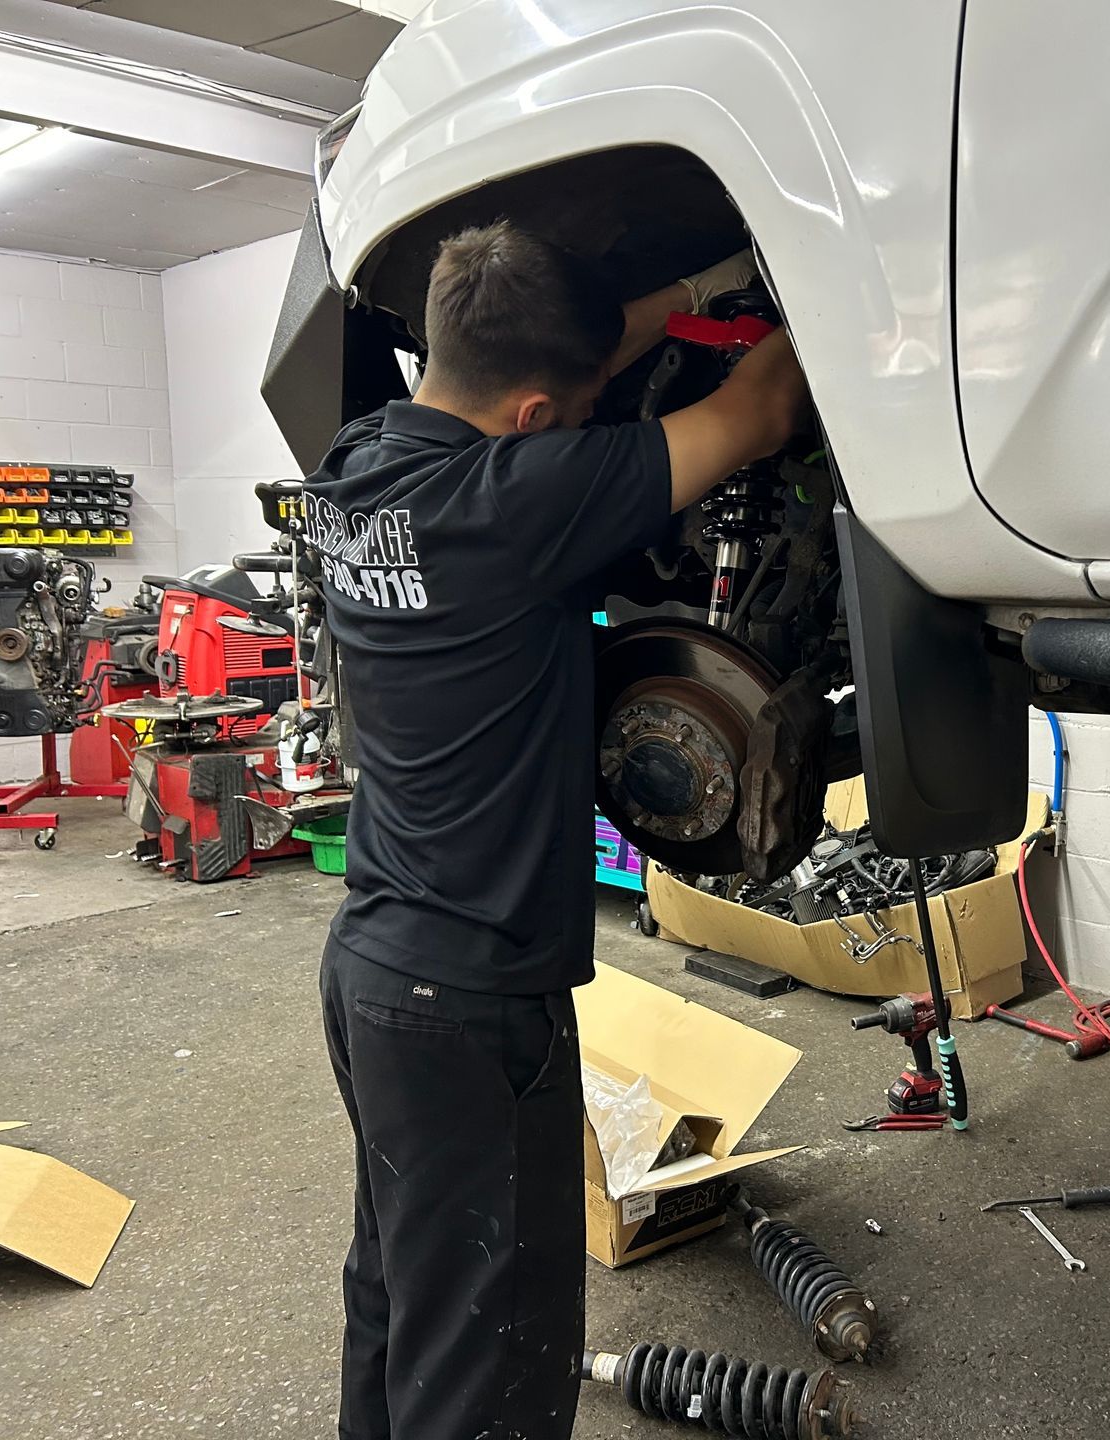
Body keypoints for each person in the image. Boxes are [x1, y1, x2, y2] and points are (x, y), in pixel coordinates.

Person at [305, 222, 806, 1440]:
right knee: (494, 1358)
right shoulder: (516, 502)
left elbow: (562, 350)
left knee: (403, 1296)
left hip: (372, 971)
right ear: (534, 421)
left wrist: (699, 285)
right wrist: (810, 265)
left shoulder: (356, 463)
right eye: (578, 418)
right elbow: (758, 413)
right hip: (472, 1007)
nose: (590, 426)